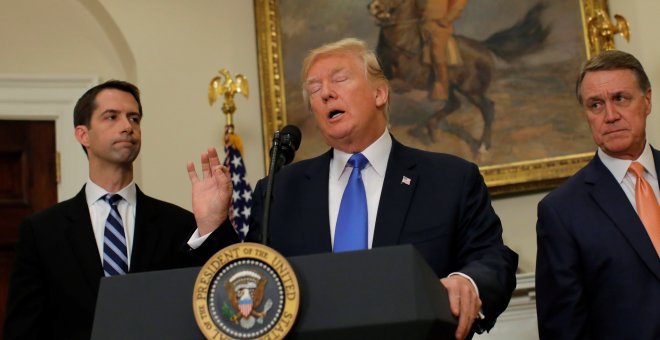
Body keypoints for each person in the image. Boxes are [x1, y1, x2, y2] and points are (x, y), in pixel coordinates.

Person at [246, 38, 517, 339]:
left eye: (339, 79)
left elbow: (492, 258)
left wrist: (468, 281)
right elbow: (244, 280)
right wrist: (211, 227)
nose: (325, 93)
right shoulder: (280, 191)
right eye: (314, 88)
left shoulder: (450, 179)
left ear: (379, 93)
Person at [4, 80, 238, 339]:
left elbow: (225, 301)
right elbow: (22, 330)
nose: (128, 127)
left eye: (134, 118)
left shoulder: (179, 224)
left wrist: (213, 222)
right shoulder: (42, 231)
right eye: (111, 117)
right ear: (83, 134)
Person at [536, 50, 660, 339]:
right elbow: (563, 329)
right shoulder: (561, 211)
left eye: (620, 98)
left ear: (647, 101)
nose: (611, 116)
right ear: (586, 115)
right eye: (596, 105)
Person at [420, 0, 468, 101]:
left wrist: (446, 20)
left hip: (439, 26)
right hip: (422, 23)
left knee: (437, 54)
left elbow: (458, 5)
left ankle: (442, 90)